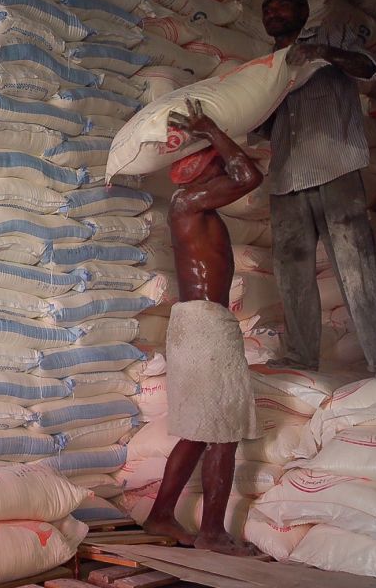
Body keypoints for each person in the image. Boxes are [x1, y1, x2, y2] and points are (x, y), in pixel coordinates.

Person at [259, 0, 376, 378]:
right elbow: (262, 126)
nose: (272, 13)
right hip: (286, 179)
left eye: (281, 6)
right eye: (267, 9)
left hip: (335, 167)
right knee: (292, 272)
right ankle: (301, 357)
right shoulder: (267, 64)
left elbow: (370, 68)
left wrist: (321, 53)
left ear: (303, 12)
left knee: (357, 264)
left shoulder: (330, 37)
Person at [141, 98, 263, 556]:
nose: (224, 175)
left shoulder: (192, 206)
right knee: (224, 433)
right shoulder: (190, 200)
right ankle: (212, 531)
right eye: (216, 166)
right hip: (207, 324)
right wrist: (212, 128)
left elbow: (240, 175)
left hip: (196, 323)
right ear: (199, 173)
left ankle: (160, 515)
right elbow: (249, 176)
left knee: (196, 430)